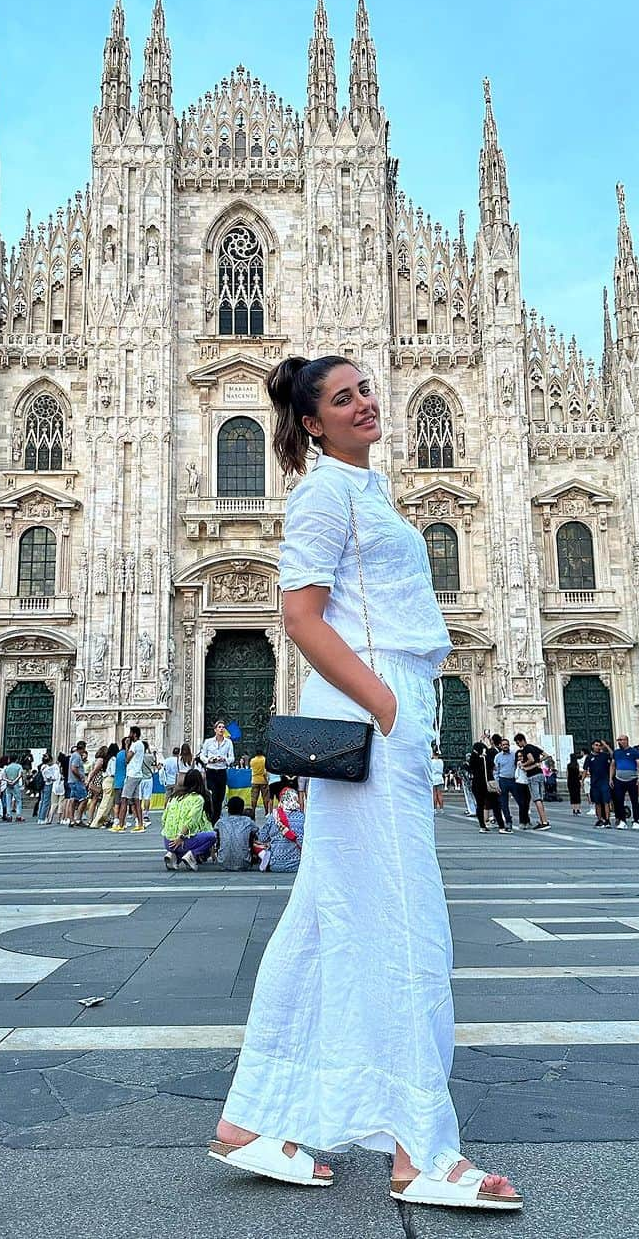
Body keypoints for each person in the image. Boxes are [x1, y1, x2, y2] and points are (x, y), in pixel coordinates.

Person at [214, 355, 521, 1211]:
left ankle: (253, 1119)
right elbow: (300, 617)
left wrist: (403, 701)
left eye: (365, 390)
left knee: (324, 916)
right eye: (343, 397)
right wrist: (388, 706)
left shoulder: (365, 487)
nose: (365, 404)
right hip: (370, 710)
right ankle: (420, 1149)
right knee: (404, 919)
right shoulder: (323, 493)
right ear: (312, 421)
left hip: (386, 705)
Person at [161, 767, 216, 871]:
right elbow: (191, 820)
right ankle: (191, 855)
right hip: (180, 840)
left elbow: (164, 819)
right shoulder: (198, 799)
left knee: (189, 840)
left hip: (167, 841)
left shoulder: (174, 797)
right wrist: (180, 837)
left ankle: (174, 855)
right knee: (213, 836)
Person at [255, 786, 304, 872]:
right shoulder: (303, 818)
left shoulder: (273, 817)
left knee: (257, 844)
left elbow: (261, 838)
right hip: (298, 866)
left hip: (275, 866)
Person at [200, 720, 235, 825]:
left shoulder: (228, 743)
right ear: (215, 730)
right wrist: (208, 760)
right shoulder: (208, 742)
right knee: (213, 795)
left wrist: (225, 760)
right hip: (211, 771)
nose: (221, 729)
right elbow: (202, 755)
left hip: (222, 772)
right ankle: (212, 817)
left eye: (223, 727)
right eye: (219, 727)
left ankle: (216, 817)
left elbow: (232, 757)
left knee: (220, 797)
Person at [514, 734, 550, 830]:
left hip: (532, 776)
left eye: (517, 743)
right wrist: (538, 761)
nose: (518, 745)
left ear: (521, 740)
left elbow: (531, 759)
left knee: (536, 799)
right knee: (540, 799)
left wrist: (524, 765)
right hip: (540, 774)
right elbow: (546, 755)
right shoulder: (534, 747)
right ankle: (544, 820)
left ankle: (544, 822)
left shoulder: (526, 749)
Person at [467, 741, 504, 833]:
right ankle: (501, 826)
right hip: (488, 784)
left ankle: (482, 826)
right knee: (496, 805)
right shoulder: (485, 759)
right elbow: (494, 767)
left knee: (480, 805)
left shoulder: (473, 759)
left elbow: (470, 769)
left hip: (476, 784)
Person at [117, 729, 148, 832]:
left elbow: (127, 759)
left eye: (130, 733)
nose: (129, 735)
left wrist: (126, 746)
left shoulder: (134, 745)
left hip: (132, 775)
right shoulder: (142, 745)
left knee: (124, 799)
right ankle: (140, 824)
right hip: (138, 774)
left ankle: (121, 824)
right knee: (136, 801)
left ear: (134, 734)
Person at [609, 734, 639, 830]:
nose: (619, 742)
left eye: (621, 740)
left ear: (626, 740)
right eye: (618, 740)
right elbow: (612, 765)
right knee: (619, 801)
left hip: (632, 780)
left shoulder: (634, 752)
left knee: (634, 801)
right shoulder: (616, 753)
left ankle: (636, 820)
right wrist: (611, 778)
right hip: (619, 780)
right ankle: (622, 820)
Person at [216, 795, 258, 870]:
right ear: (242, 810)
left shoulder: (221, 822)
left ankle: (223, 854)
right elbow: (258, 832)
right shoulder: (248, 821)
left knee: (220, 833)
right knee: (252, 834)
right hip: (244, 863)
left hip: (222, 863)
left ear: (228, 809)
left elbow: (215, 830)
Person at [490, 736, 518, 830]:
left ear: (509, 745)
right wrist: (497, 783)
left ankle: (525, 819)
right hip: (503, 780)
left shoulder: (514, 755)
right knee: (504, 803)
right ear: (500, 746)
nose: (505, 746)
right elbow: (495, 771)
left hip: (514, 780)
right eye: (503, 745)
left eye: (506, 744)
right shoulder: (497, 757)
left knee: (520, 801)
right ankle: (508, 821)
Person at [88, 742, 120, 829]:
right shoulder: (113, 759)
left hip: (105, 781)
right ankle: (96, 822)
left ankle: (102, 821)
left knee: (107, 803)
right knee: (105, 803)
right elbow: (113, 772)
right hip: (110, 780)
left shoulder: (107, 759)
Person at [583, 740, 613, 827]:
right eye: (596, 745)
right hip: (594, 782)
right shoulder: (589, 757)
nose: (598, 747)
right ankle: (599, 819)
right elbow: (585, 769)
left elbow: (613, 755)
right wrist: (582, 780)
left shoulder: (604, 755)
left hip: (604, 781)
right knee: (597, 802)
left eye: (599, 745)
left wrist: (606, 745)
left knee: (606, 801)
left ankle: (607, 820)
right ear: (592, 746)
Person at [63, 741, 89, 826]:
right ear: (83, 748)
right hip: (76, 781)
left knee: (73, 800)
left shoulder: (73, 755)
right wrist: (81, 776)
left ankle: (72, 820)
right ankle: (78, 819)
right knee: (84, 799)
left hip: (72, 780)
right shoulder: (77, 756)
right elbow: (74, 768)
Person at [249, 748, 270, 818]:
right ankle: (266, 812)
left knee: (254, 797)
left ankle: (253, 812)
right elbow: (265, 771)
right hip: (263, 780)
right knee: (265, 797)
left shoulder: (252, 760)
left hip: (254, 780)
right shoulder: (265, 760)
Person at [430, 744, 445, 812]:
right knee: (440, 794)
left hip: (433, 777)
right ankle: (441, 808)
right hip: (440, 777)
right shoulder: (441, 761)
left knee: (434, 794)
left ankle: (435, 808)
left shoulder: (431, 761)